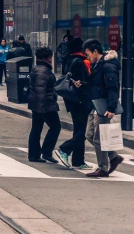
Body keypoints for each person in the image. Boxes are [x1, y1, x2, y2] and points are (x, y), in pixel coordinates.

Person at [82, 39, 123, 178]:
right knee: (89, 134)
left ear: (95, 51)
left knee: (99, 138)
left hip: (104, 106)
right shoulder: (97, 65)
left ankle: (103, 168)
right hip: (95, 105)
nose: (87, 57)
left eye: (88, 54)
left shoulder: (108, 66)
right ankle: (113, 156)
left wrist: (111, 108)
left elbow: (113, 88)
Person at [54, 37, 91, 169]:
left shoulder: (68, 59)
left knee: (78, 129)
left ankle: (78, 160)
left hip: (71, 99)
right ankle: (65, 149)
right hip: (81, 100)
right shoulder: (80, 62)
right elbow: (82, 82)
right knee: (84, 131)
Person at [26, 47, 61, 163]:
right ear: (46, 58)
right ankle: (46, 152)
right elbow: (40, 90)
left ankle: (34, 155)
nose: (51, 60)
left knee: (36, 129)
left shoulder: (38, 68)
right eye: (50, 57)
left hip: (38, 104)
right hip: (45, 105)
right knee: (56, 127)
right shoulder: (43, 71)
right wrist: (42, 109)